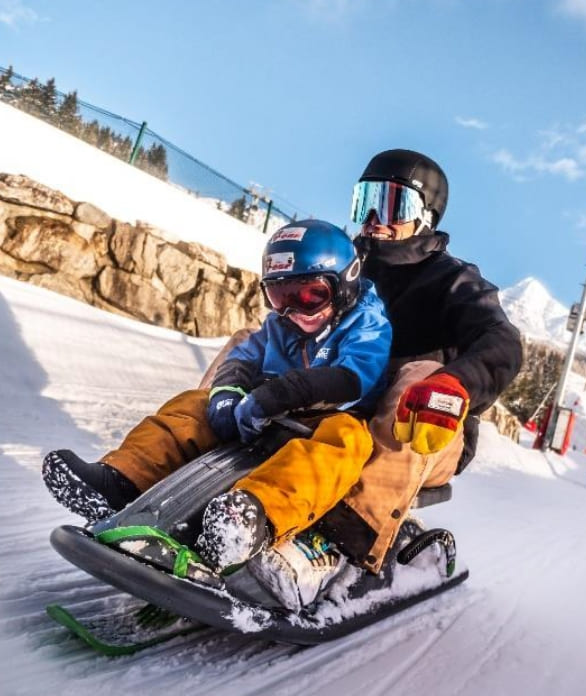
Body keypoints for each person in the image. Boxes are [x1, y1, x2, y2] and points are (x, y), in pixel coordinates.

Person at [43, 219, 392, 609]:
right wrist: (226, 396)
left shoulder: (367, 321)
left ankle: (248, 519)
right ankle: (121, 479)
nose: (293, 310)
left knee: (344, 442)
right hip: (268, 416)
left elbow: (353, 376)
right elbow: (244, 358)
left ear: (346, 282)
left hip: (328, 420)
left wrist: (275, 395)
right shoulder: (281, 326)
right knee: (192, 406)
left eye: (310, 295)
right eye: (280, 297)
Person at [315, 149, 523, 573]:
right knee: (249, 343)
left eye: (392, 204)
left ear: (425, 217)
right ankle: (173, 475)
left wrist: (456, 381)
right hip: (340, 410)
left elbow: (502, 341)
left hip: (428, 429)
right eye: (365, 201)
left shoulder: (452, 279)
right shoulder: (345, 267)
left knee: (419, 377)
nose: (374, 217)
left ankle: (342, 544)